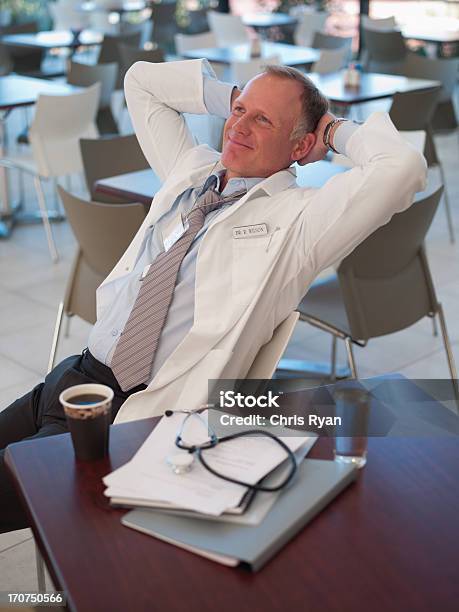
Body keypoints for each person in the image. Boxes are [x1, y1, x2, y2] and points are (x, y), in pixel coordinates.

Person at [0, 59, 426, 532]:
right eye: (239, 111)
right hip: (74, 379)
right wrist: (235, 97)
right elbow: (141, 83)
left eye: (263, 120)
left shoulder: (300, 223)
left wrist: (331, 131)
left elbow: (401, 167)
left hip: (129, 417)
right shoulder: (193, 170)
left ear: (300, 145)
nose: (239, 126)